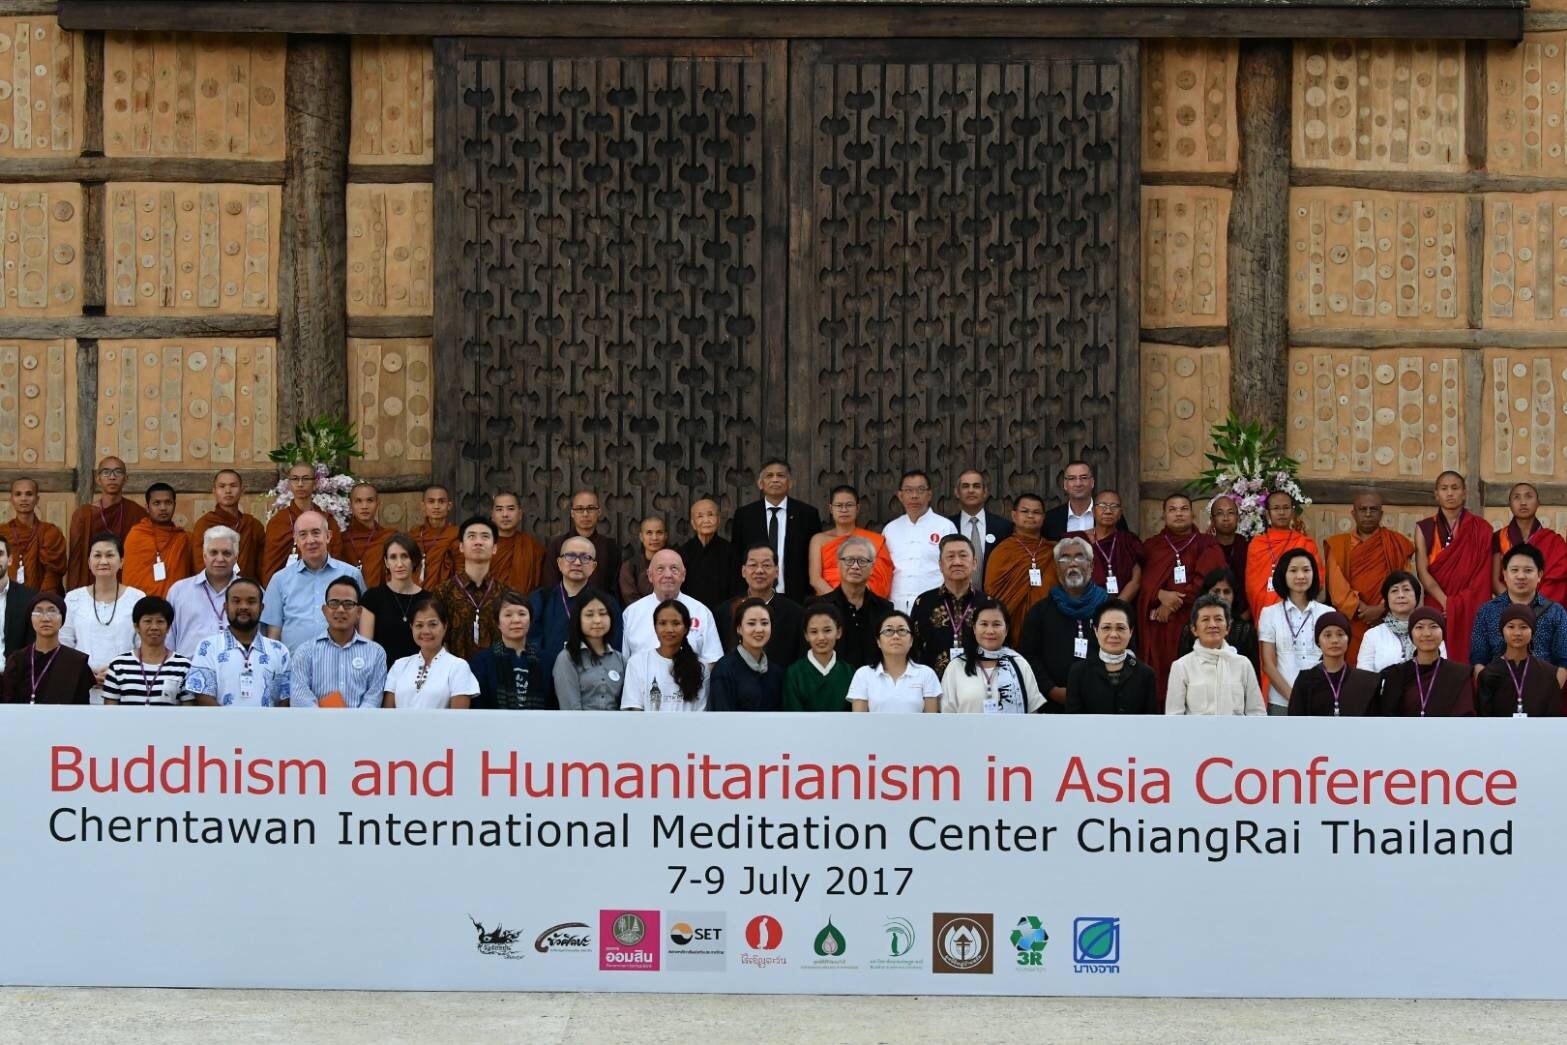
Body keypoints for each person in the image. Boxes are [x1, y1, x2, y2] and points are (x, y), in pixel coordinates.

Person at [1138, 493, 1225, 696]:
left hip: (1193, 623)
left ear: (1192, 514)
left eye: (1184, 509)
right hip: (1158, 627)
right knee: (1160, 680)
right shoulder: (1152, 547)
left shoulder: (1206, 545)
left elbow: (1207, 581)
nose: (1179, 514)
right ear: (1164, 515)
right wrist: (1158, 593)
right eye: (1173, 509)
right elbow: (1141, 582)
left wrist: (1171, 603)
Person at [1320, 491, 1413, 665]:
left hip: (1390, 620)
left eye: (1374, 509)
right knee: (1355, 674)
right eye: (1362, 509)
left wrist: (1381, 608)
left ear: (1381, 513)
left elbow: (1405, 583)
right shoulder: (1339, 544)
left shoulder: (1397, 543)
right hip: (1352, 623)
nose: (1368, 514)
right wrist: (1364, 610)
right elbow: (1337, 589)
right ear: (1353, 513)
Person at [1413, 470, 1492, 664]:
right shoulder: (1424, 527)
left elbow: (1483, 574)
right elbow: (1423, 572)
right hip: (1437, 604)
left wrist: (1459, 603)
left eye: (1455, 488)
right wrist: (1446, 602)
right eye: (1444, 488)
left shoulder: (1481, 528)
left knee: (1470, 657)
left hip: (1470, 605)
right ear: (1436, 494)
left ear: (1464, 493)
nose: (1450, 493)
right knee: (1435, 656)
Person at [1021, 537, 1107, 711]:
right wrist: (1051, 690)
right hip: (1054, 704)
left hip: (1102, 701)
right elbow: (1028, 656)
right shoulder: (1040, 612)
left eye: (1079, 557)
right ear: (1057, 568)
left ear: (1091, 566)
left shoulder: (1110, 609)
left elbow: (1126, 652)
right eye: (1065, 558)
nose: (1072, 563)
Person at [260, 510, 364, 650]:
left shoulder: (352, 575)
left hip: (341, 665)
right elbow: (273, 634)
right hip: (294, 667)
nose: (310, 540)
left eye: (316, 533)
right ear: (295, 539)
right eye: (303, 535)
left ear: (328, 536)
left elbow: (362, 623)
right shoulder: (280, 580)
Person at [60, 532, 144, 705]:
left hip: (127, 688)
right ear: (89, 562)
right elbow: (65, 645)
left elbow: (143, 647)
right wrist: (84, 672)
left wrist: (118, 672)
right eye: (97, 555)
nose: (103, 561)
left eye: (110, 555)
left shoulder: (137, 598)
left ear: (121, 561)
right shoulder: (73, 598)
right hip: (82, 687)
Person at [184, 577, 291, 707]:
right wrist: (231, 726)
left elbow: (285, 699)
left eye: (251, 601)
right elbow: (203, 697)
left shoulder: (279, 650)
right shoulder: (208, 647)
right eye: (236, 601)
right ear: (226, 606)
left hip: (268, 726)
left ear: (262, 607)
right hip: (220, 726)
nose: (244, 606)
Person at [730, 459, 822, 603]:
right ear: (760, 484)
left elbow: (815, 558)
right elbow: (737, 556)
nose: (775, 479)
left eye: (780, 475)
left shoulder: (807, 514)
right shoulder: (745, 515)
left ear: (790, 483)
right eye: (769, 476)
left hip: (796, 596)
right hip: (754, 596)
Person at [288, 576, 388, 708]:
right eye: (334, 603)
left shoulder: (375, 653)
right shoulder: (305, 652)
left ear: (359, 612)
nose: (340, 609)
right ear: (324, 610)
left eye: (348, 604)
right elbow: (301, 697)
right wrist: (328, 724)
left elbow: (373, 699)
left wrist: (351, 725)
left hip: (360, 726)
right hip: (317, 726)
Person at [1468, 544, 1567, 674]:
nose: (1521, 576)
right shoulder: (1487, 611)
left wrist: (1549, 691)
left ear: (1539, 575)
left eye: (1528, 570)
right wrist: (1488, 689)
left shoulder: (1556, 612)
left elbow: (1564, 660)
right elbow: (1478, 658)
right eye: (1514, 570)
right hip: (1497, 688)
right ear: (1504, 574)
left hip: (1541, 688)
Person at [910, 534, 997, 677]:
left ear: (974, 563)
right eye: (950, 556)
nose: (957, 562)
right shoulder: (923, 602)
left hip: (977, 685)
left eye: (963, 556)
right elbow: (913, 648)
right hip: (933, 687)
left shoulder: (988, 604)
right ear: (940, 564)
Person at [1257, 548, 1332, 715]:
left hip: (1321, 699)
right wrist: (1294, 697)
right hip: (1281, 701)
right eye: (1293, 570)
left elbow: (1334, 660)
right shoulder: (1269, 613)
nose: (1300, 576)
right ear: (1283, 574)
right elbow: (1268, 664)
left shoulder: (1328, 613)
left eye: (1306, 570)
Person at [1165, 594, 1265, 715]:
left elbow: (1257, 713)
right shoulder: (1182, 667)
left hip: (1237, 733)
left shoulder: (1243, 664)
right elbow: (1174, 718)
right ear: (1194, 629)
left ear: (1228, 627)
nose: (1213, 625)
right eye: (1205, 619)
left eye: (1218, 619)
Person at [430, 516, 512, 661]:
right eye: (472, 536)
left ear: (494, 548)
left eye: (485, 536)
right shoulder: (442, 592)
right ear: (461, 547)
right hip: (453, 676)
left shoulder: (507, 594)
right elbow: (433, 637)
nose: (478, 542)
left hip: (497, 675)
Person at [529, 536, 623, 662]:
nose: (577, 562)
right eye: (570, 556)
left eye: (585, 557)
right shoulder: (541, 599)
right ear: (559, 563)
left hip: (592, 676)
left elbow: (614, 647)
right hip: (546, 675)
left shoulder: (607, 604)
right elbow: (531, 643)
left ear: (593, 567)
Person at [621, 549, 724, 662]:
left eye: (674, 569)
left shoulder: (701, 612)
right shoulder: (632, 613)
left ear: (683, 575)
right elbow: (625, 662)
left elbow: (713, 660)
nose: (668, 575)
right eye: (660, 569)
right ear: (650, 575)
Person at [981, 493, 1057, 644]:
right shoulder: (1002, 551)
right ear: (1014, 515)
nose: (1030, 516)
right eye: (1025, 511)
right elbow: (992, 592)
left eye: (1036, 512)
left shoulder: (1053, 551)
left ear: (1043, 518)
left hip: (1048, 626)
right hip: (1009, 629)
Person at [809, 535, 893, 669]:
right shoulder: (821, 607)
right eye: (849, 560)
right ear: (838, 564)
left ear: (872, 568)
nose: (855, 566)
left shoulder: (884, 609)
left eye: (862, 561)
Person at [941, 604, 1044, 713]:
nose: (990, 631)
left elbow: (1033, 714)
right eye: (984, 624)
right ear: (975, 629)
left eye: (996, 624)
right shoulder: (956, 666)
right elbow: (946, 715)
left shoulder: (1019, 664)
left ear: (1006, 630)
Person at [66, 456, 147, 590]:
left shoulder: (138, 513)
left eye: (118, 472)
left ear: (126, 478)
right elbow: (76, 561)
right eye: (106, 472)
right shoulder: (83, 515)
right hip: (92, 584)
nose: (112, 477)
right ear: (98, 479)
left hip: (126, 583)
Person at [384, 596, 479, 710]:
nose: (426, 631)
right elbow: (388, 714)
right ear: (411, 628)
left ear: (445, 626)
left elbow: (458, 719)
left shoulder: (458, 666)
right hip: (399, 728)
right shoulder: (399, 665)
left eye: (433, 624)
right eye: (419, 625)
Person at [883, 469, 958, 612]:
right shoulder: (890, 529)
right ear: (900, 495)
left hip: (935, 605)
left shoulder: (945, 527)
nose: (914, 496)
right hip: (896, 606)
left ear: (929, 494)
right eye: (908, 490)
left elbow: (954, 568)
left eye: (920, 490)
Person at [718, 544, 804, 667]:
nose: (759, 570)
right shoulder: (725, 611)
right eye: (753, 565)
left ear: (777, 571)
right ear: (743, 571)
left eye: (766, 565)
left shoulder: (796, 614)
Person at [1377, 607, 1473, 716]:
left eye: (1433, 627)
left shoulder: (1458, 674)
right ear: (1411, 634)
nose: (1427, 633)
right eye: (1419, 627)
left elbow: (1465, 716)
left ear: (1443, 634)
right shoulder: (1397, 674)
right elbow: (1388, 718)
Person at [1066, 599, 1158, 714]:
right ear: (1096, 631)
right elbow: (1073, 721)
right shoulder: (1079, 672)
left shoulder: (1146, 674)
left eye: (1120, 628)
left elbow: (1151, 722)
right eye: (1106, 628)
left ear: (1131, 632)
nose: (1113, 634)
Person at [0, 592, 92, 704]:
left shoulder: (76, 662)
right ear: (31, 618)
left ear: (62, 618)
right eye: (38, 611)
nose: (45, 618)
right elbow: (7, 705)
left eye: (52, 611)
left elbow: (82, 710)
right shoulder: (17, 660)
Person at [261, 463, 343, 586]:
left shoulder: (327, 520)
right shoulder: (278, 521)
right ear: (289, 484)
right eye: (295, 479)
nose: (300, 484)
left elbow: (336, 561)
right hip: (287, 588)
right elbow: (270, 564)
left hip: (322, 586)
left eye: (305, 479)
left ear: (315, 483)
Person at [1286, 611, 1381, 716]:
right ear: (1318, 641)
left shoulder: (1364, 681)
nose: (1335, 640)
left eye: (1340, 634)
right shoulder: (1305, 680)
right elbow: (1295, 722)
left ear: (1348, 639)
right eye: (1327, 635)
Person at [468, 590, 551, 710]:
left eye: (522, 614)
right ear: (498, 623)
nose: (516, 620)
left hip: (538, 726)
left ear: (531, 620)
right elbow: (478, 707)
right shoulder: (482, 662)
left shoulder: (547, 661)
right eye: (508, 615)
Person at [1476, 605, 1565, 717]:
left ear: (1532, 632)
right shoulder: (1488, 674)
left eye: (1523, 627)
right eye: (1511, 627)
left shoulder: (1548, 673)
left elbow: (1553, 716)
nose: (1517, 633)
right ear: (1502, 631)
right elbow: (1484, 718)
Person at [102, 596, 192, 706]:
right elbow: (110, 714)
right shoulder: (118, 665)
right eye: (147, 621)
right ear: (136, 627)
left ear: (168, 627)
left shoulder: (184, 666)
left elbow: (189, 712)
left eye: (160, 621)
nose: (154, 627)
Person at [621, 598, 709, 711]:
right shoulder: (637, 663)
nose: (669, 629)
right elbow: (633, 710)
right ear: (655, 627)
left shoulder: (700, 666)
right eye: (662, 623)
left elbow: (701, 713)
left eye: (676, 623)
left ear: (686, 628)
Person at [808, 485, 893, 600]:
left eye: (849, 505)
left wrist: (855, 602)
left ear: (857, 508)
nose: (844, 510)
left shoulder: (873, 540)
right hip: (828, 603)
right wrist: (839, 602)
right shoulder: (819, 540)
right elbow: (815, 580)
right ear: (831, 509)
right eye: (839, 505)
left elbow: (880, 578)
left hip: (863, 605)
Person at [846, 610, 940, 712]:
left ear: (911, 640)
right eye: (888, 631)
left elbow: (931, 722)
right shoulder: (863, 674)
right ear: (878, 641)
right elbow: (859, 722)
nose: (896, 636)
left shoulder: (926, 674)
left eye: (902, 630)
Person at [166, 525, 238, 657]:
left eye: (226, 553)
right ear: (204, 556)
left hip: (236, 672)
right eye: (213, 553)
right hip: (188, 671)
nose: (220, 559)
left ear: (235, 558)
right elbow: (168, 640)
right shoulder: (179, 591)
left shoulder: (251, 593)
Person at [1244, 491, 1318, 620]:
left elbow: (1317, 580)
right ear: (1268, 513)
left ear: (1293, 511)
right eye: (1276, 508)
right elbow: (1252, 587)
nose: (1282, 513)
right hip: (1265, 610)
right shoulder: (1256, 544)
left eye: (1286, 508)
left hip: (1298, 609)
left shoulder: (1305, 543)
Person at [1491, 481, 1567, 604]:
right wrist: (1515, 604)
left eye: (1529, 496)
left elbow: (1557, 579)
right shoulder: (1499, 537)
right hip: (1510, 609)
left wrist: (1536, 605)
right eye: (1517, 497)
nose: (1523, 502)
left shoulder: (1553, 541)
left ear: (1538, 503)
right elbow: (1495, 581)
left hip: (1545, 608)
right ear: (1510, 504)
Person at [552, 588, 625, 711]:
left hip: (615, 728)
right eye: (589, 614)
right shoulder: (567, 658)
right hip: (578, 727)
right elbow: (570, 709)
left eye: (602, 613)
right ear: (578, 619)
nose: (597, 620)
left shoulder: (620, 659)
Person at [708, 598, 786, 711]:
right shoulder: (724, 670)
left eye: (764, 623)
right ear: (739, 628)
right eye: (751, 623)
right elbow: (722, 720)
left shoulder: (776, 673)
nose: (759, 629)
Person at [1357, 571, 1443, 673]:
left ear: (1417, 596)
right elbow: (1364, 675)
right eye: (1394, 591)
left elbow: (1442, 670)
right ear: (1386, 599)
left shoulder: (1431, 632)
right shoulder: (1372, 635)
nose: (1401, 595)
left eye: (1406, 589)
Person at [358, 534, 422, 668]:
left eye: (405, 556)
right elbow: (366, 649)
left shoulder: (428, 600)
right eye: (393, 557)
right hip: (382, 676)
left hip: (420, 677)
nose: (399, 564)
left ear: (414, 560)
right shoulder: (372, 598)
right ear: (386, 562)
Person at [539, 489, 621, 593]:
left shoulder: (610, 547)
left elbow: (614, 587)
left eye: (591, 508)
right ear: (572, 513)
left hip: (599, 606)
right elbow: (550, 585)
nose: (585, 514)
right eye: (579, 509)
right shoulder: (558, 545)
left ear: (599, 512)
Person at [190, 468, 264, 581]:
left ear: (242, 490)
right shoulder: (204, 525)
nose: (228, 490)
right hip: (213, 587)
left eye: (233, 486)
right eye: (222, 486)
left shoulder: (253, 525)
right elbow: (200, 563)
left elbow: (261, 565)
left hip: (246, 589)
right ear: (214, 491)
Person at [121, 483, 192, 599]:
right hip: (142, 606)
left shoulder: (183, 538)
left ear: (174, 505)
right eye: (157, 503)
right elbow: (131, 579)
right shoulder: (137, 536)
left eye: (168, 502)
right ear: (147, 507)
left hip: (175, 606)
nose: (163, 508)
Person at [1176, 568, 1258, 667]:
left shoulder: (1245, 631)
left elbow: (1252, 673)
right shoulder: (1191, 629)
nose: (1222, 596)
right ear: (1206, 594)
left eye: (1227, 592)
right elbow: (1182, 669)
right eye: (1216, 591)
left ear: (1234, 595)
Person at [947, 469, 1013, 591]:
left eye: (976, 486)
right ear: (957, 492)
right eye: (965, 486)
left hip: (993, 599)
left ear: (985, 492)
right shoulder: (947, 526)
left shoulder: (1004, 527)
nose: (971, 490)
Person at [782, 604, 853, 712]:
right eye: (814, 632)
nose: (821, 637)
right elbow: (793, 718)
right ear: (806, 635)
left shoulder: (849, 672)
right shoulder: (794, 673)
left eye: (827, 630)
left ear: (838, 632)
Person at [3, 477, 66, 594]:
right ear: (11, 499)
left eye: (29, 494)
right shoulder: (2, 533)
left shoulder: (50, 533)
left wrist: (41, 601)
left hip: (42, 601)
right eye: (18, 494)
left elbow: (53, 574)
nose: (23, 499)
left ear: (37, 499)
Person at [679, 498, 740, 614]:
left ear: (718, 520)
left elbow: (736, 589)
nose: (706, 520)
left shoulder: (731, 551)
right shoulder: (683, 553)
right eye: (700, 516)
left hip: (724, 614)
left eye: (711, 515)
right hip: (691, 614)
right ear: (693, 523)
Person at [1043, 460, 1126, 539]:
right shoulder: (1050, 519)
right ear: (1065, 484)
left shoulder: (1110, 515)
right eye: (1072, 478)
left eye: (1084, 477)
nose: (1078, 483)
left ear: (1092, 482)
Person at [1086, 489, 1143, 604]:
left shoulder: (1128, 541)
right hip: (1088, 606)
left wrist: (1116, 607)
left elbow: (1135, 580)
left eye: (1114, 506)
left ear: (1120, 513)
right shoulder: (1081, 540)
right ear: (1093, 511)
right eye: (1102, 505)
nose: (1108, 511)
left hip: (1122, 608)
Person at [339, 482, 396, 588]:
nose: (364, 506)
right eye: (358, 501)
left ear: (378, 504)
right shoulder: (341, 540)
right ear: (350, 505)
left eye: (369, 500)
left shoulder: (389, 537)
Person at [489, 490, 545, 595]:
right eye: (499, 509)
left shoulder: (533, 547)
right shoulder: (483, 546)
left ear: (520, 514)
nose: (505, 514)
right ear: (492, 515)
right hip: (488, 607)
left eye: (511, 509)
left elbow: (540, 588)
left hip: (522, 607)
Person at [1206, 494, 1249, 617]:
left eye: (1230, 513)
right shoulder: (1206, 548)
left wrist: (1248, 612)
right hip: (1211, 614)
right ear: (1212, 520)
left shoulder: (1248, 547)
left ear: (1238, 518)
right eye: (1220, 513)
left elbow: (1254, 585)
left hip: (1245, 615)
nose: (1226, 518)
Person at [409, 484, 458, 589]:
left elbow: (461, 572)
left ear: (449, 506)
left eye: (441, 501)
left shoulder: (456, 534)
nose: (436, 506)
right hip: (414, 595)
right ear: (423, 506)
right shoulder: (413, 535)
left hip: (445, 595)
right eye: (431, 501)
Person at [0, 532, 36, 657]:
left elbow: (32, 646)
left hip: (14, 673)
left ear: (9, 560)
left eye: (0, 554)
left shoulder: (28, 598)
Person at [619, 516, 667, 607]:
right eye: (649, 533)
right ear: (641, 537)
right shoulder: (630, 566)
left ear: (665, 536)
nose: (654, 538)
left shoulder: (674, 564)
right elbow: (630, 598)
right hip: (640, 615)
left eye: (659, 532)